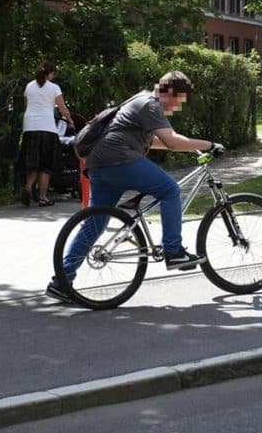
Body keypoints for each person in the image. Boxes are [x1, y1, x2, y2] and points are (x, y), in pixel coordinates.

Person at [46, 70, 224, 303]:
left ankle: (61, 281)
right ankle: (174, 251)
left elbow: (159, 142)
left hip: (99, 165)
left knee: (95, 223)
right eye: (179, 100)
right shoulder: (151, 104)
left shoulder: (139, 100)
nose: (178, 106)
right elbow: (171, 140)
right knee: (170, 190)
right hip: (118, 159)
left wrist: (194, 147)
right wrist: (210, 144)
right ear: (169, 92)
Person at [19, 60, 73, 206]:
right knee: (45, 165)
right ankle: (42, 197)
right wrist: (70, 120)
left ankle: (28, 187)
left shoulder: (29, 86)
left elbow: (27, 105)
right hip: (47, 127)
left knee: (33, 162)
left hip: (29, 127)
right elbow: (62, 109)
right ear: (50, 73)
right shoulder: (54, 88)